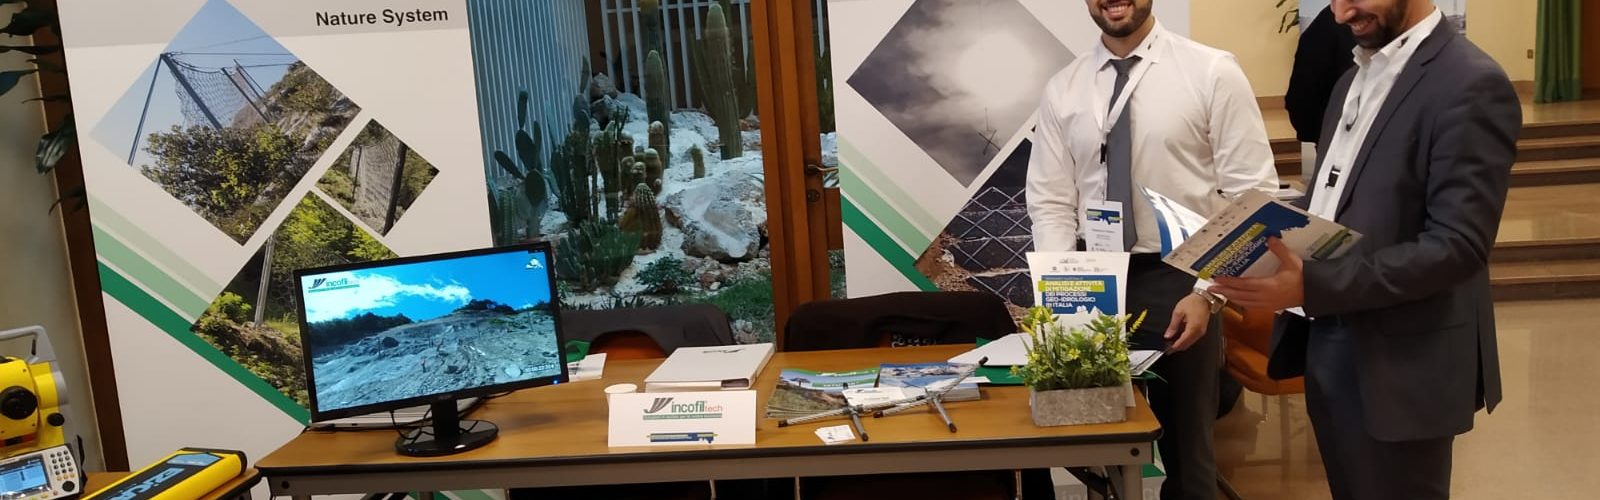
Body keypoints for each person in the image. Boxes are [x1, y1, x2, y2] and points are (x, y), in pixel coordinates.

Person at [1208, 0, 1519, 497]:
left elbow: (1458, 246)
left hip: (1404, 361)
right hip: (1330, 343)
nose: (1340, 13)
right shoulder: (1352, 80)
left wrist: (1312, 285)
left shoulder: (1470, 82)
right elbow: (1334, 201)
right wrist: (1235, 245)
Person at [1026, 1, 1278, 498]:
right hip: (1090, 275)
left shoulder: (1211, 71)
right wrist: (1057, 290)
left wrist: (1208, 292)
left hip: (1180, 278)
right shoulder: (1064, 88)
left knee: (1188, 455)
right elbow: (1051, 201)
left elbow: (1253, 197)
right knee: (1082, 439)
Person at [1285, 6, 1358, 144]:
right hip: (1336, 138)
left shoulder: (1330, 21)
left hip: (1335, 137)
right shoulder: (1330, 23)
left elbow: (1302, 96)